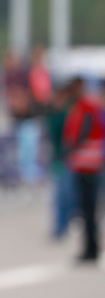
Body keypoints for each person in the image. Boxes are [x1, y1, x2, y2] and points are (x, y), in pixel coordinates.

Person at [62, 77, 104, 263]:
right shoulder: (93, 106)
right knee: (89, 208)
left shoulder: (86, 105)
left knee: (87, 209)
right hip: (92, 161)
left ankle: (91, 250)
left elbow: (82, 132)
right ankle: (91, 248)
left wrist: (72, 148)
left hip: (86, 162)